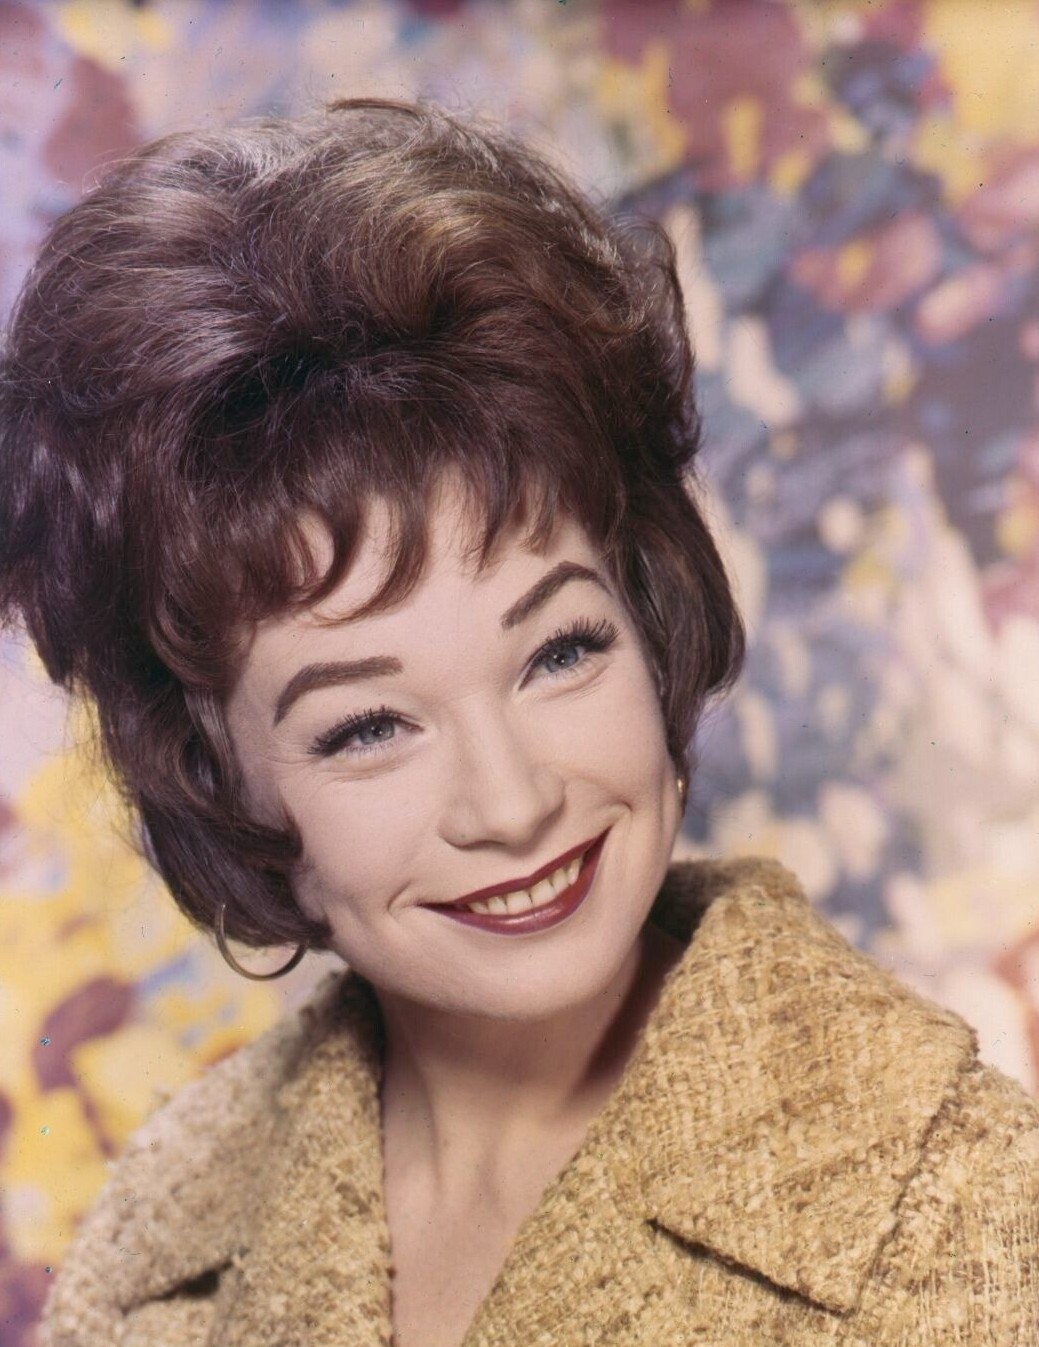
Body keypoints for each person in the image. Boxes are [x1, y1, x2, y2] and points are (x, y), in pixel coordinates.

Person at [2, 97, 1036, 1347]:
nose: (512, 803)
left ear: (647, 614)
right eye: (366, 728)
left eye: (558, 651)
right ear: (218, 778)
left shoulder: (967, 1222)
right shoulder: (156, 1250)